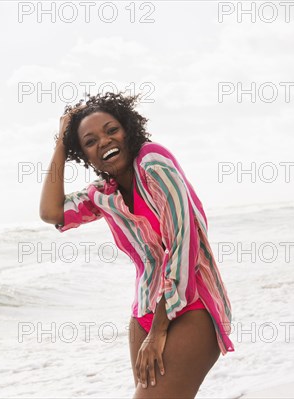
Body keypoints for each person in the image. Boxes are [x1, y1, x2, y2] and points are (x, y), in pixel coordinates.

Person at [39, 92, 235, 398]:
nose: (103, 141)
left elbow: (184, 243)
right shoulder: (102, 194)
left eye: (111, 130)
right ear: (85, 155)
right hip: (144, 309)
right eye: (89, 142)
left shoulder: (153, 162)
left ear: (128, 129)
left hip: (191, 302)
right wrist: (61, 144)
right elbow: (51, 213)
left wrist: (158, 331)